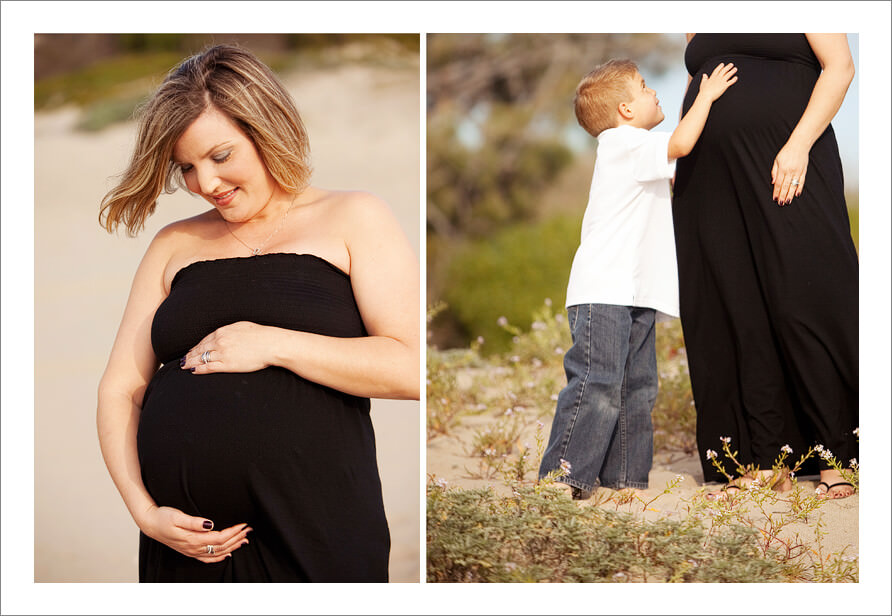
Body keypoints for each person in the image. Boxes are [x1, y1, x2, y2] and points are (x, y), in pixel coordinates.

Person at [96, 44, 419, 582]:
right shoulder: (173, 244)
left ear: (266, 129)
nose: (205, 184)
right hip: (188, 545)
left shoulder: (353, 216)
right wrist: (144, 513)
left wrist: (273, 343)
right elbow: (120, 390)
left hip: (317, 529)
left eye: (220, 156)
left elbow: (410, 368)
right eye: (187, 168)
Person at [538, 58, 737, 499]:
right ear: (626, 111)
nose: (654, 92)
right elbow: (684, 144)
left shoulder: (638, 149)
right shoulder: (623, 143)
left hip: (636, 291)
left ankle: (624, 479)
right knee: (598, 382)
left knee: (639, 388)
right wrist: (705, 94)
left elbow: (680, 161)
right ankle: (563, 477)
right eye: (645, 87)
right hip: (604, 290)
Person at [672, 34, 858, 500]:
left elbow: (839, 68)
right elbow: (698, 79)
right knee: (732, 309)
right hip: (707, 176)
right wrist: (681, 151)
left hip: (788, 158)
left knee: (809, 299)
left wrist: (798, 146)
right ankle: (760, 457)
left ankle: (839, 452)